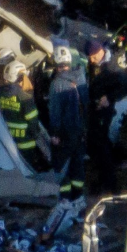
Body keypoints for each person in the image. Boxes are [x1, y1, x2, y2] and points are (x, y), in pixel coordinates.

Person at [44, 42, 89, 199]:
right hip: (80, 133)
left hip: (64, 134)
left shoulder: (56, 84)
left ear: (56, 64)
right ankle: (78, 198)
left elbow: (55, 111)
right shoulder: (81, 77)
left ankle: (64, 200)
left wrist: (55, 133)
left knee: (61, 167)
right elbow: (86, 103)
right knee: (77, 166)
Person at [0, 59, 44, 171]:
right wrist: (37, 135)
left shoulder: (0, 94)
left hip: (9, 141)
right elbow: (33, 121)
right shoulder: (25, 98)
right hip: (26, 143)